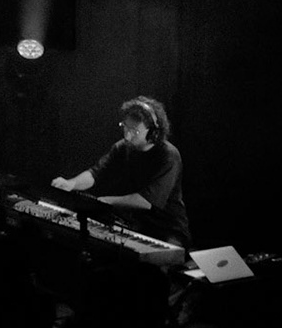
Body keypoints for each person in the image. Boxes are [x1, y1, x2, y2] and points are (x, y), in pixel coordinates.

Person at [50, 95, 190, 248]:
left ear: (153, 133)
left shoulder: (168, 155)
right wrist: (71, 183)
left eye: (134, 131)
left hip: (167, 230)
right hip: (135, 225)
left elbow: (147, 201)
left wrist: (106, 201)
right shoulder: (122, 147)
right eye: (125, 127)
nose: (127, 135)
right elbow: (96, 173)